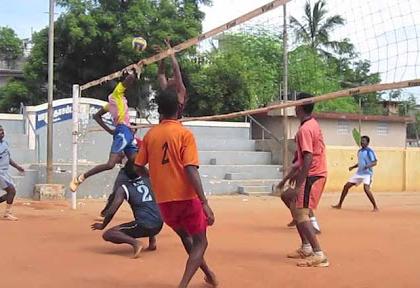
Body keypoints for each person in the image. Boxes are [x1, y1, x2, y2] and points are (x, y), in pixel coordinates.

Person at [135, 89, 218, 288]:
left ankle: (209, 275)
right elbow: (190, 168)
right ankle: (183, 285)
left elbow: (138, 166)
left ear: (159, 111)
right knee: (201, 243)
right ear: (179, 108)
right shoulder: (184, 134)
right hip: (186, 198)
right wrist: (204, 202)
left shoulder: (150, 135)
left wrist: (154, 178)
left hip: (164, 201)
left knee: (187, 238)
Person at [69, 71, 138, 192]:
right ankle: (80, 178)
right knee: (110, 164)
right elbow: (130, 78)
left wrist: (110, 130)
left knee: (137, 162)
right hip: (123, 131)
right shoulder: (117, 94)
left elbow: (97, 116)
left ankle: (151, 185)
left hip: (126, 132)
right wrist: (136, 70)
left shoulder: (115, 101)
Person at [285, 92, 329, 268]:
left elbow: (308, 157)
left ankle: (319, 254)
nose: (294, 107)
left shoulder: (305, 129)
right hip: (313, 173)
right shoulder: (310, 124)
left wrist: (300, 183)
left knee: (301, 213)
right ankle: (306, 247)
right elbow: (303, 159)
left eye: (296, 104)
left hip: (313, 175)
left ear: (300, 107)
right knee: (288, 198)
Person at [91, 161, 163, 258]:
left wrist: (103, 225)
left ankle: (135, 243)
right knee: (147, 208)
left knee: (109, 234)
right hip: (159, 224)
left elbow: (113, 209)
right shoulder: (148, 180)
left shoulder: (124, 188)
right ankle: (152, 241)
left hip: (144, 226)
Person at [97, 123, 144, 221]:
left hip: (136, 171)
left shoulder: (139, 142)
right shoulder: (122, 140)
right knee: (115, 193)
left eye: (132, 130)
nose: (131, 131)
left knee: (141, 194)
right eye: (129, 129)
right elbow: (117, 156)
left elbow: (144, 155)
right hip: (125, 171)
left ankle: (144, 216)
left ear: (135, 131)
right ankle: (106, 212)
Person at [274, 154, 321, 234]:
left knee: (302, 202)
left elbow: (303, 165)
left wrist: (284, 181)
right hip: (302, 178)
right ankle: (296, 217)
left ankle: (314, 226)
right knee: (286, 196)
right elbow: (296, 167)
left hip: (309, 178)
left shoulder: (306, 150)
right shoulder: (299, 150)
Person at [332, 135, 378, 211]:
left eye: (363, 141)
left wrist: (367, 166)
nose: (362, 142)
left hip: (367, 174)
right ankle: (339, 204)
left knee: (366, 189)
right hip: (359, 173)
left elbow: (375, 162)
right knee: (346, 186)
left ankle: (375, 207)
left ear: (367, 143)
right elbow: (360, 163)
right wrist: (353, 167)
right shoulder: (359, 151)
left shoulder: (369, 151)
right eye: (361, 141)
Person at [155, 39, 187, 119]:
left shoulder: (180, 91)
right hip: (162, 125)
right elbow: (161, 74)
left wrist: (170, 51)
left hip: (174, 125)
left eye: (172, 77)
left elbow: (176, 69)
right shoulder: (167, 89)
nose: (169, 78)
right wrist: (163, 58)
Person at [0, 125, 25, 221]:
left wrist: (18, 167)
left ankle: (7, 213)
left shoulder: (5, 143)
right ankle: (7, 214)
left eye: (2, 131)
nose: (2, 133)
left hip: (4, 173)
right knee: (11, 191)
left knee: (11, 192)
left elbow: (8, 158)